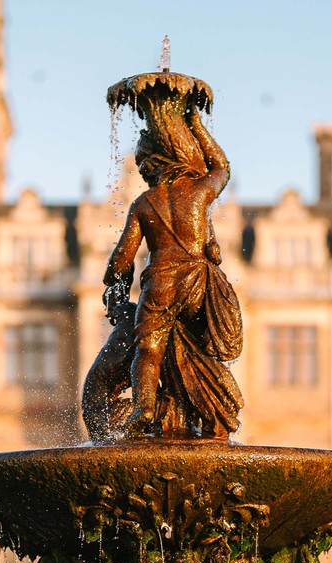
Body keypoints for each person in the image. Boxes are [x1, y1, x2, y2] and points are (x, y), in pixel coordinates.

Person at [82, 101, 242, 441]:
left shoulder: (144, 203)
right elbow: (223, 167)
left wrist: (115, 282)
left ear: (151, 167)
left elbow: (122, 257)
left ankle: (145, 406)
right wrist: (197, 125)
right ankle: (212, 404)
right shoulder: (200, 192)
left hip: (162, 281)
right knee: (203, 344)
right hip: (199, 281)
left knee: (149, 348)